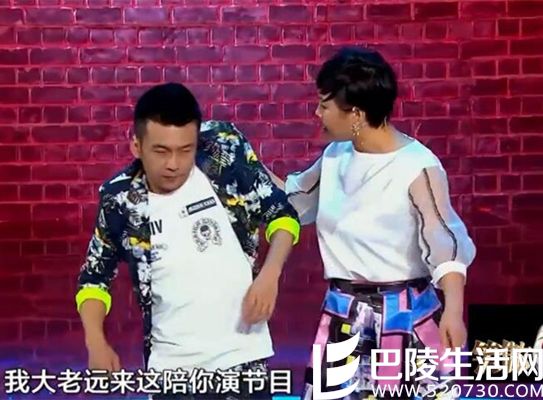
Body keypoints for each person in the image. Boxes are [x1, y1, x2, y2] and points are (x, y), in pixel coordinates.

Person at [266, 47, 476, 399]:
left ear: (356, 114)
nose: (317, 113)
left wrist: (454, 311)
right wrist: (241, 163)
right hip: (344, 315)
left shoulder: (417, 166)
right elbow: (294, 200)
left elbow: (444, 240)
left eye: (324, 105)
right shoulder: (335, 156)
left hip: (405, 317)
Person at [75, 83, 300, 399]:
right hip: (171, 373)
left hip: (244, 363)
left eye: (185, 150)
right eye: (161, 151)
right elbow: (94, 280)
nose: (174, 164)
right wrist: (95, 342)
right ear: (137, 146)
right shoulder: (120, 199)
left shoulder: (225, 150)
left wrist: (270, 274)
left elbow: (282, 215)